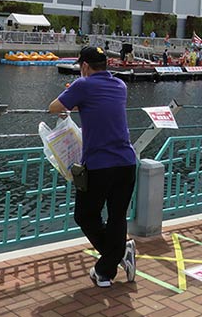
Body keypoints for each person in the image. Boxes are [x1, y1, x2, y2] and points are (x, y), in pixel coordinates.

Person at [47, 46, 137, 288]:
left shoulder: (83, 85)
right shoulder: (120, 86)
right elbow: (100, 106)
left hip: (100, 165)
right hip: (127, 163)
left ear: (84, 66)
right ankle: (107, 268)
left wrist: (73, 95)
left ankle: (113, 259)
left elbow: (54, 107)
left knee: (85, 215)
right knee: (117, 216)